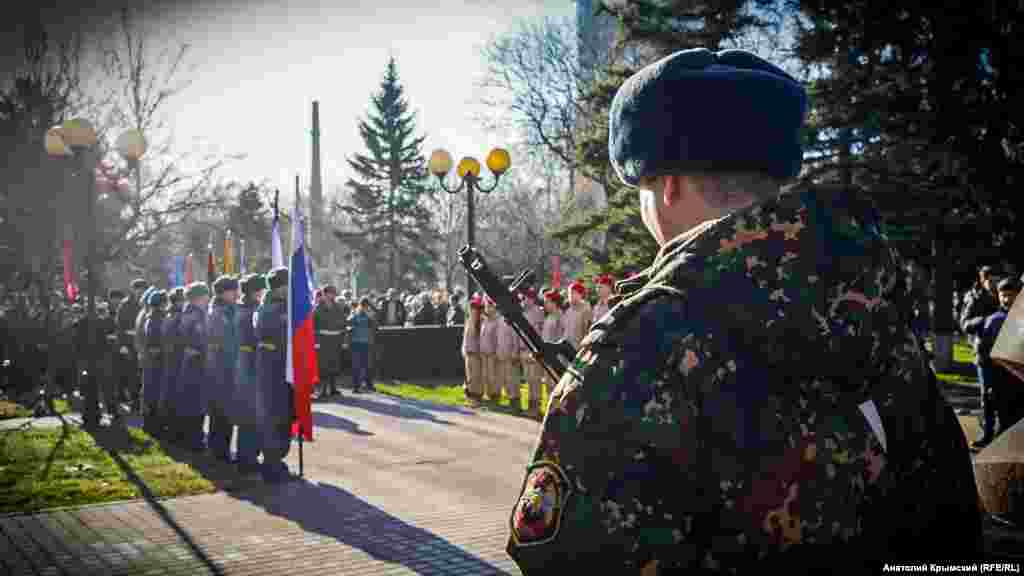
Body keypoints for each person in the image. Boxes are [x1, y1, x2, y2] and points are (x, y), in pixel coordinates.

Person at [506, 48, 982, 573]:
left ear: (668, 185)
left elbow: (568, 561)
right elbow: (953, 521)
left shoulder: (640, 343)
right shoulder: (869, 303)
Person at [964, 277, 1023, 442]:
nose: (1007, 299)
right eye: (1004, 295)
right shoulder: (994, 319)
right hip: (997, 372)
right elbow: (983, 348)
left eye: (1011, 295)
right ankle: (990, 435)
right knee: (993, 403)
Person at [256, 268, 295, 482]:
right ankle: (271, 462)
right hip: (273, 369)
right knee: (275, 415)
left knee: (284, 414)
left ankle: (276, 459)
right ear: (281, 287)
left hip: (282, 368)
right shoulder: (271, 308)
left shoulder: (277, 306)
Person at [961, 266, 1001, 447]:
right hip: (985, 353)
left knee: (1005, 395)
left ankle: (1003, 434)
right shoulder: (976, 298)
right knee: (987, 396)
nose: (993, 283)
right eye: (989, 280)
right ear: (982, 280)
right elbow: (965, 323)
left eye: (996, 279)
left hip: (1005, 352)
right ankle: (988, 434)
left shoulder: (1008, 294)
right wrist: (985, 320)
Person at [233, 274, 267, 476]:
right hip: (250, 364)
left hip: (243, 364)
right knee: (250, 414)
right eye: (260, 290)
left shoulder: (239, 309)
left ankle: (247, 455)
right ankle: (247, 457)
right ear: (255, 291)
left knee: (249, 414)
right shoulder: (251, 311)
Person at [206, 276, 240, 464]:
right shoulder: (218, 312)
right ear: (222, 292)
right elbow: (221, 342)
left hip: (229, 367)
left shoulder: (229, 310)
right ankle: (218, 452)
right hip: (220, 368)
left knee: (226, 413)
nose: (237, 293)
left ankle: (221, 450)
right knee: (220, 413)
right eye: (232, 290)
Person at [175, 282, 210, 452]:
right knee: (194, 404)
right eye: (205, 295)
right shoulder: (193, 315)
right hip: (194, 364)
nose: (208, 298)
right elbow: (196, 339)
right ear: (198, 297)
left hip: (193, 363)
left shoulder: (191, 313)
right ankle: (193, 440)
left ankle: (192, 438)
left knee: (193, 403)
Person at [115, 278, 148, 416]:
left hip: (144, 343)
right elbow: (119, 326)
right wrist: (122, 344)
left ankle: (144, 402)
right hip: (130, 344)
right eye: (137, 289)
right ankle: (135, 402)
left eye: (142, 289)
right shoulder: (125, 305)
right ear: (133, 290)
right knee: (132, 375)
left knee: (144, 374)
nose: (140, 292)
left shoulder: (147, 303)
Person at [158, 287, 186, 439]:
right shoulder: (176, 317)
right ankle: (174, 430)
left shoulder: (169, 315)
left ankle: (171, 428)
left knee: (170, 394)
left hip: (172, 359)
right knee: (175, 395)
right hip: (176, 359)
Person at [141, 290, 167, 436]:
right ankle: (153, 425)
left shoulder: (151, 317)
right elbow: (154, 345)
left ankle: (152, 424)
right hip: (156, 362)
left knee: (151, 393)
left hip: (152, 361)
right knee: (154, 394)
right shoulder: (156, 320)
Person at [314, 284, 347, 398]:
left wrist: (343, 340)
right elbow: (314, 326)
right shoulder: (318, 308)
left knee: (335, 363)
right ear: (324, 294)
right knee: (323, 365)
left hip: (335, 339)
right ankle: (323, 390)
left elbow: (343, 323)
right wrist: (316, 341)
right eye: (329, 293)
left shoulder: (338, 307)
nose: (331, 295)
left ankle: (333, 388)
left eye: (333, 293)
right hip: (323, 339)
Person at [520, 288, 546, 417]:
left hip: (534, 349)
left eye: (526, 298)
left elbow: (541, 331)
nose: (524, 300)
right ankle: (530, 406)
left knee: (535, 379)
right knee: (528, 379)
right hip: (523, 348)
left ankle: (536, 407)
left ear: (532, 299)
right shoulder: (522, 312)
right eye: (523, 298)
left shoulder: (538, 312)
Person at [349, 296, 375, 394]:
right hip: (356, 342)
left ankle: (368, 384)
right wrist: (355, 314)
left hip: (367, 342)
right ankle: (356, 386)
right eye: (363, 305)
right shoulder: (355, 312)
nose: (364, 307)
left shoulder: (370, 313)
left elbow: (375, 324)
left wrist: (370, 316)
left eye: (366, 305)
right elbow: (349, 322)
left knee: (368, 364)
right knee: (356, 365)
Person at [461, 293, 484, 404]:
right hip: (468, 351)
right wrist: (464, 350)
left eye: (475, 308)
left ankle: (476, 397)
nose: (472, 310)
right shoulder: (469, 320)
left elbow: (480, 339)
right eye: (472, 307)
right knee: (470, 375)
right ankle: (471, 396)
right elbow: (465, 337)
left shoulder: (480, 321)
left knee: (475, 376)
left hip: (475, 352)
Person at [479, 296, 499, 402]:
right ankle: (487, 393)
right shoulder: (484, 321)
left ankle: (494, 394)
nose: (488, 309)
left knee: (492, 375)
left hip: (492, 352)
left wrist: (496, 351)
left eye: (490, 306)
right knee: (485, 374)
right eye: (487, 307)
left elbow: (497, 338)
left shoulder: (497, 322)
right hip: (483, 351)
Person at [562, 279, 593, 349]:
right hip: (566, 348)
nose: (570, 296)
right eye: (569, 293)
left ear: (580, 294)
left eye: (573, 293)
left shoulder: (586, 310)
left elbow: (587, 332)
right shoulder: (568, 311)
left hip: (578, 349)